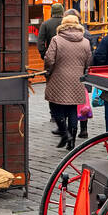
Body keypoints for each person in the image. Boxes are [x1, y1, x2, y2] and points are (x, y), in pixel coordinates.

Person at [43, 14, 92, 150]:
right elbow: (89, 62)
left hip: (58, 78)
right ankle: (72, 141)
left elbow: (49, 59)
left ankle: (64, 133)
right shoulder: (85, 42)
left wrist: (48, 71)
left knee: (55, 106)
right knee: (72, 108)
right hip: (77, 80)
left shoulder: (56, 39)